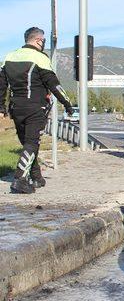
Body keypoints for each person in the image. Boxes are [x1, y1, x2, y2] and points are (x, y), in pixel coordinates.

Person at [0, 27, 74, 194]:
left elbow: (1, 85)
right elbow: (54, 84)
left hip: (16, 107)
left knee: (27, 143)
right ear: (38, 41)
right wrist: (67, 104)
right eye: (43, 42)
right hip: (35, 107)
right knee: (32, 143)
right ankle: (19, 179)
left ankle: (36, 176)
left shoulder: (9, 57)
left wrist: (1, 107)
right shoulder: (40, 57)